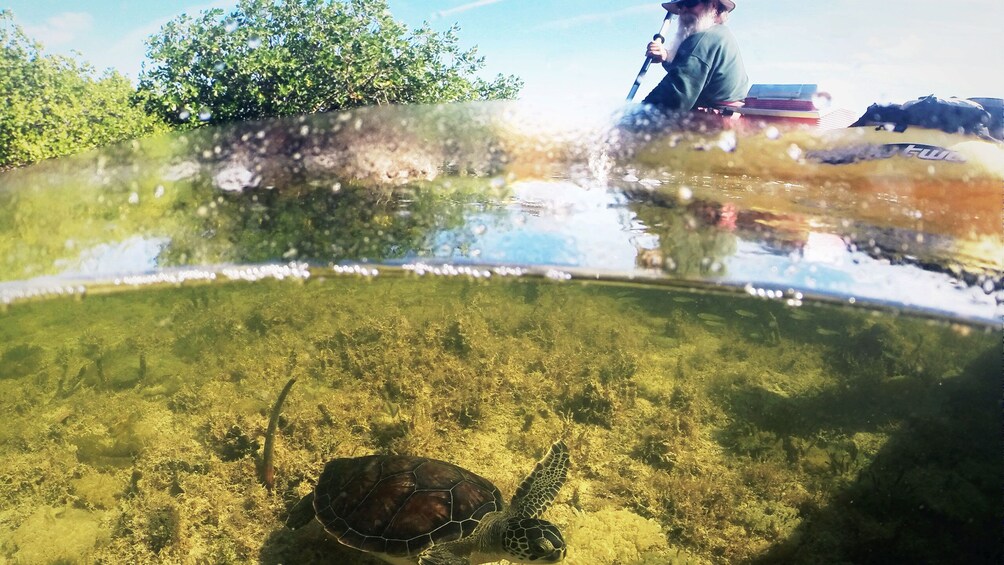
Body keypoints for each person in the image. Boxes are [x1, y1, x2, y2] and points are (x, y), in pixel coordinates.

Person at [642, 0, 749, 112]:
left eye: (690, 2)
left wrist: (632, 115)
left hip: (712, 124)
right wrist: (667, 57)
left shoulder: (705, 38)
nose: (683, 9)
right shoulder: (720, 34)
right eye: (680, 5)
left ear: (713, 5)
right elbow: (692, 71)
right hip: (727, 119)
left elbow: (675, 96)